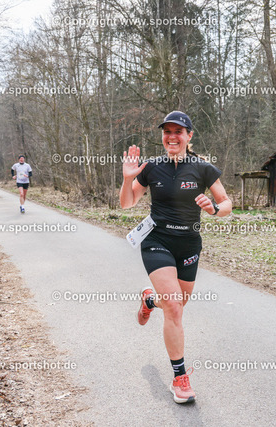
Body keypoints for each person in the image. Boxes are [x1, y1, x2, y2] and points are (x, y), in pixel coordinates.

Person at [120, 111, 231, 404]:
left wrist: (214, 209)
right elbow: (127, 203)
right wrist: (128, 179)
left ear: (189, 136)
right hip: (157, 240)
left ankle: (149, 301)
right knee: (174, 307)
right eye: (167, 131)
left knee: (176, 304)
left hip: (189, 245)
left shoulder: (203, 168)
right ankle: (180, 378)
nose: (172, 136)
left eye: (178, 131)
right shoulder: (151, 167)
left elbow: (227, 204)